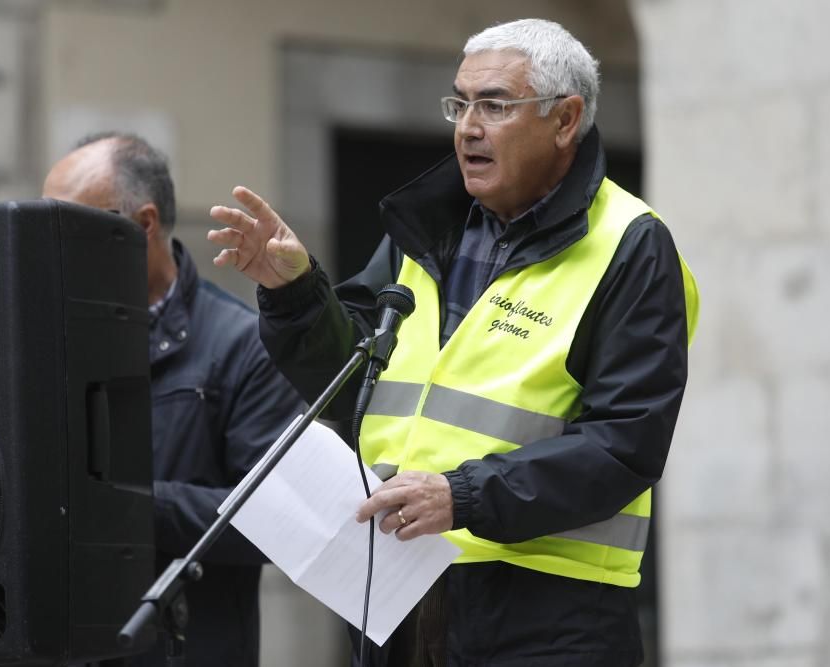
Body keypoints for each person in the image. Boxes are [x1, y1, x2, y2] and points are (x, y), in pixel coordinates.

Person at [208, 17, 699, 667]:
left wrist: (462, 495)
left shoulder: (631, 244)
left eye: (494, 104)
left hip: (551, 615)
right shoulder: (429, 229)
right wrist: (296, 293)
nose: (467, 126)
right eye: (460, 103)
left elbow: (624, 446)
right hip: (398, 592)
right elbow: (357, 383)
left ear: (564, 119)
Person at [43, 133, 304, 667]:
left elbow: (275, 520)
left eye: (68, 228)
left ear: (142, 225)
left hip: (182, 649)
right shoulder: (40, 339)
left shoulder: (243, 345)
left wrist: (126, 505)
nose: (51, 248)